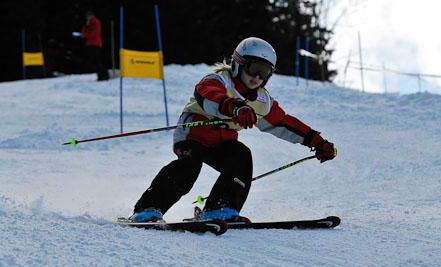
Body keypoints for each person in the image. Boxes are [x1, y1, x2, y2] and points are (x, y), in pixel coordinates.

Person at [130, 37, 336, 223]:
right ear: (238, 64)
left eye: (263, 72)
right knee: (189, 167)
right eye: (253, 68)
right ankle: (148, 208)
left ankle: (219, 208)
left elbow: (284, 122)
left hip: (223, 142)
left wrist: (316, 141)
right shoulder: (220, 80)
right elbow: (208, 94)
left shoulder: (262, 101)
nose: (256, 77)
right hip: (194, 134)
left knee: (241, 156)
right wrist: (234, 106)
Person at [81, 11, 109, 81]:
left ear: (92, 15)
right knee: (94, 61)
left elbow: (94, 34)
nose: (88, 17)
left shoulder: (96, 22)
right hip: (90, 44)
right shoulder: (89, 23)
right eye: (87, 16)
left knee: (97, 61)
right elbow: (84, 31)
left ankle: (104, 76)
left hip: (96, 44)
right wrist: (86, 27)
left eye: (89, 16)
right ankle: (102, 75)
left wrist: (85, 34)